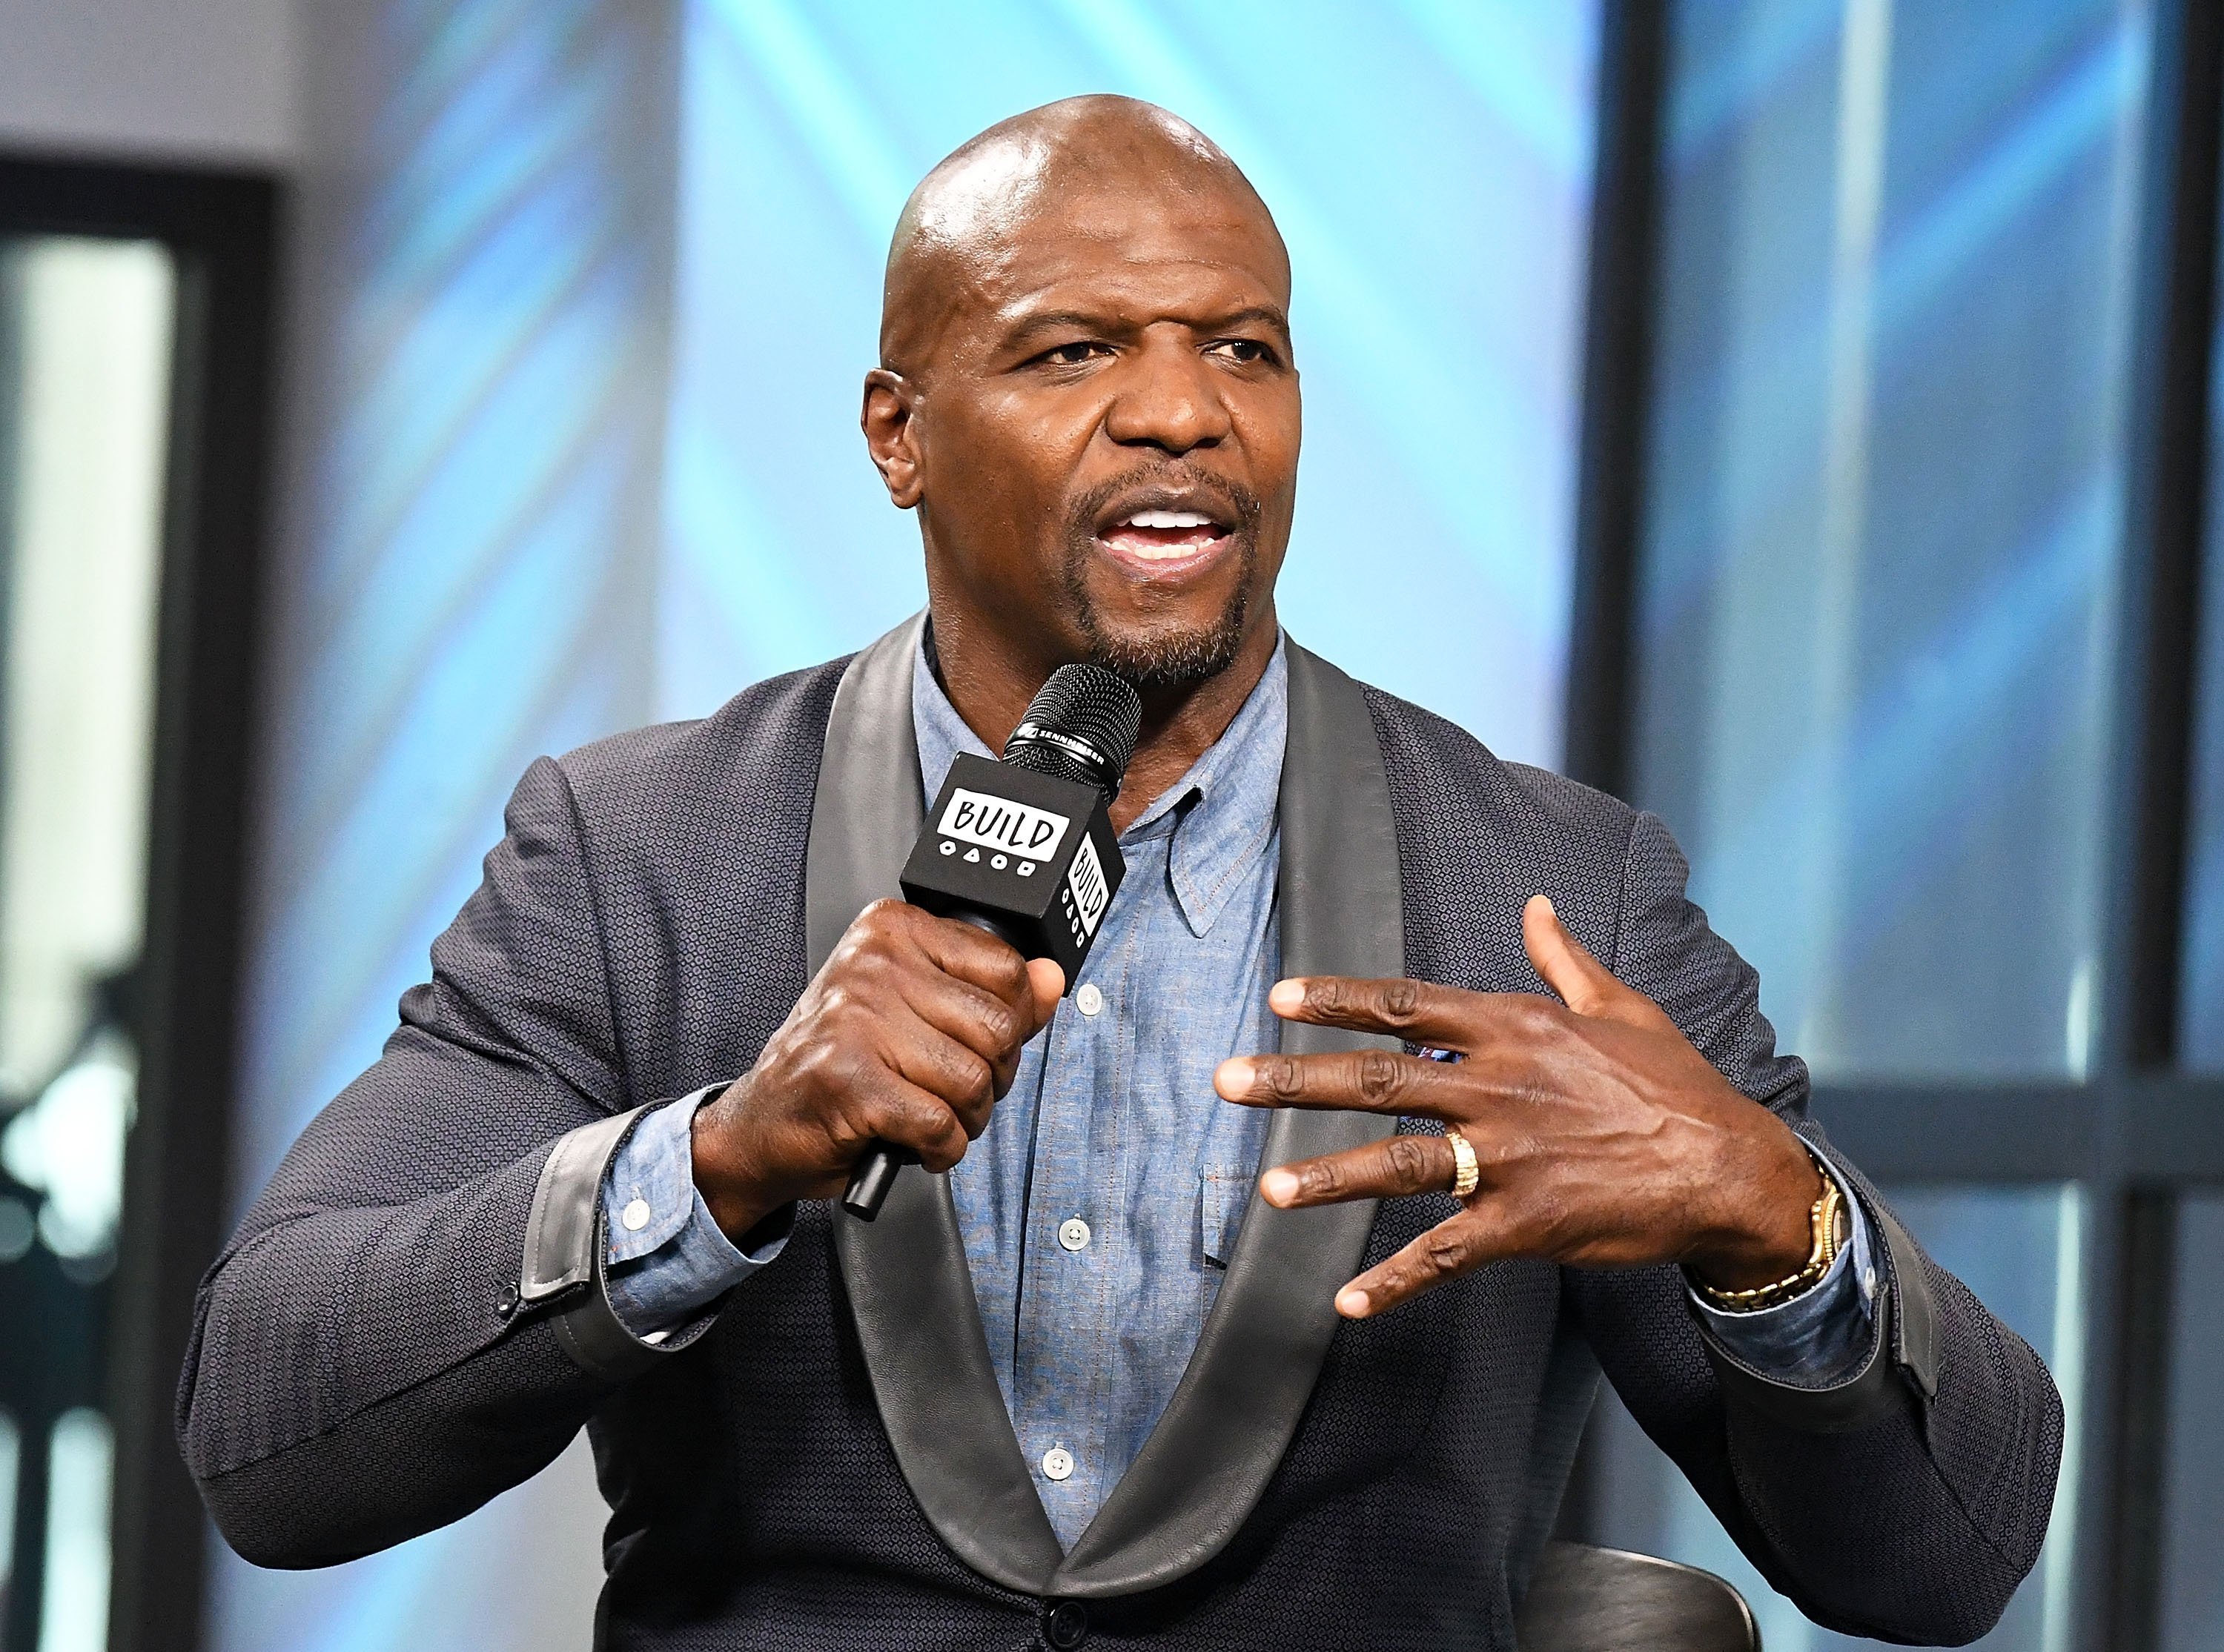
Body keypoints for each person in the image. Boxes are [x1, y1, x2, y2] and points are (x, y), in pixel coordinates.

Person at [180, 96, 2060, 1649]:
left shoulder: (1557, 885)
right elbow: (273, 1428)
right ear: (896, 433)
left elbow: (1943, 1559)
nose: (1183, 408)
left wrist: (1770, 1214)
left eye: (1242, 347)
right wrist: (722, 1157)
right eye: (1075, 348)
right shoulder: (638, 849)